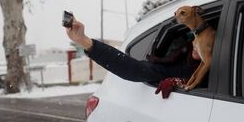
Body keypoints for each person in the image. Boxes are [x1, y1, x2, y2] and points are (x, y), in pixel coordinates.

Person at [66, 16, 200, 98]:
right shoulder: (178, 63)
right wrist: (84, 41)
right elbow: (135, 69)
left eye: (204, 39)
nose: (196, 42)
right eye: (195, 36)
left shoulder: (216, 68)